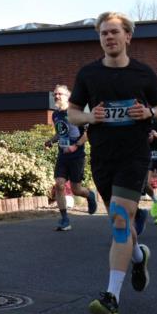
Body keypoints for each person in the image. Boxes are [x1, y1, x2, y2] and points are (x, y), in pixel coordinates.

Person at [68, 12, 157, 314]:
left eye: (114, 32)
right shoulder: (88, 75)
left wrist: (148, 112)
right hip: (103, 158)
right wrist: (91, 117)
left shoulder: (143, 73)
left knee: (121, 221)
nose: (108, 37)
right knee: (119, 224)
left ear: (128, 37)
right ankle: (139, 257)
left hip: (134, 157)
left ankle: (111, 298)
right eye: (103, 34)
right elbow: (72, 113)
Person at [45, 84, 97, 231]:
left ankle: (89, 195)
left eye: (59, 94)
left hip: (77, 155)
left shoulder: (75, 112)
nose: (56, 96)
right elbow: (60, 133)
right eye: (55, 94)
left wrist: (75, 146)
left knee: (76, 189)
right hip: (62, 155)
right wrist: (51, 141)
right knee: (59, 184)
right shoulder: (56, 115)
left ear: (68, 97)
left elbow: (88, 133)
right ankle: (65, 219)